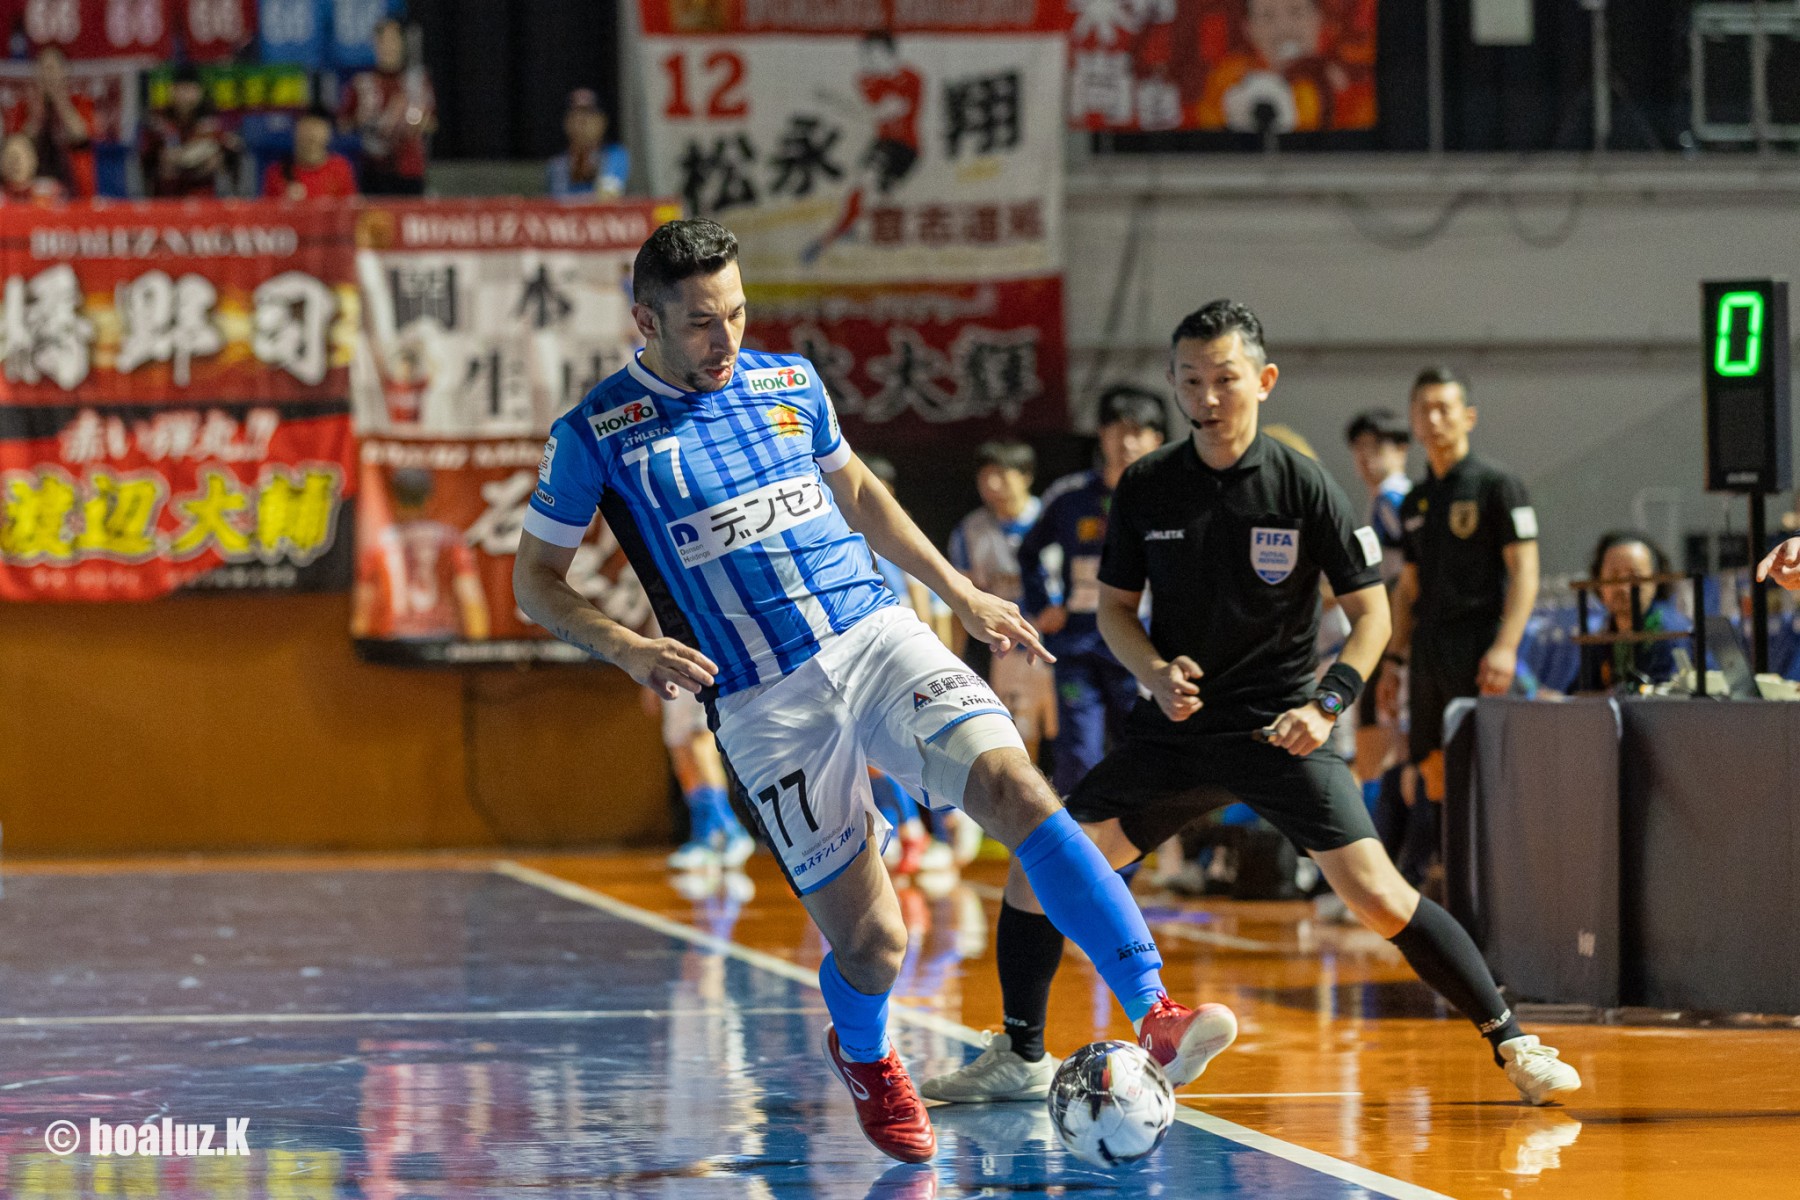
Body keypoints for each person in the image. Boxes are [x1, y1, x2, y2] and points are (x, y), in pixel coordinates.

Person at [514, 218, 1230, 1163]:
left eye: (736, 313)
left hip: (874, 633)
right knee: (876, 945)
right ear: (644, 320)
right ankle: (865, 1054)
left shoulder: (788, 384)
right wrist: (628, 648)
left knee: (1020, 790)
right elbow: (536, 582)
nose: (726, 338)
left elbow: (859, 496)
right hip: (766, 699)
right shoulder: (596, 434)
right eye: (699, 323)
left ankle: (1155, 1010)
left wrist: (959, 591)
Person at [921, 300, 1579, 1109]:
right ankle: (1021, 1055)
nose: (1207, 397)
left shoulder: (1304, 485)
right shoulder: (1149, 487)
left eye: (1225, 379)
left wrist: (1328, 705)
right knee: (1042, 868)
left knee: (1378, 894)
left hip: (1283, 731)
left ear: (1263, 381)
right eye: (1190, 380)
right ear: (1174, 384)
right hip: (1176, 733)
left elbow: (1372, 615)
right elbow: (1116, 610)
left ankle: (1514, 1042)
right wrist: (1154, 672)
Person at [1380, 368, 1539, 853]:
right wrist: (1393, 660)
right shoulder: (1414, 500)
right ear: (1413, 420)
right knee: (1431, 766)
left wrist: (1506, 647)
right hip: (1429, 648)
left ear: (1468, 416)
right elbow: (1408, 589)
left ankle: (1496, 869)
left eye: (1443, 408)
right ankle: (1450, 871)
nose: (1433, 419)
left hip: (1479, 644)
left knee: (1486, 765)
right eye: (1423, 410)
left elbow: (1525, 573)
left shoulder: (1498, 486)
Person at [1018, 385, 1166, 795]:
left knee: (1140, 752)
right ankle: (1083, 836)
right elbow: (1028, 552)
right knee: (1079, 754)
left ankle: (1133, 839)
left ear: (1158, 439)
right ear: (1101, 435)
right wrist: (1042, 605)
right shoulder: (1070, 496)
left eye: (1138, 432)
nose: (1127, 442)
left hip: (1140, 650)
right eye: (1118, 430)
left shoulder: (1169, 500)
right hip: (1077, 647)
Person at [948, 441, 1056, 765]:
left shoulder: (1053, 517)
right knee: (1020, 737)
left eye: (1001, 474)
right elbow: (962, 598)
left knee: (1075, 734)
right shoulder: (970, 531)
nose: (992, 484)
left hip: (1062, 644)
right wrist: (955, 656)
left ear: (1025, 476)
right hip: (1010, 652)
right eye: (985, 476)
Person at [802, 32, 922, 264]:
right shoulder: (868, 81)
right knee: (859, 185)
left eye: (874, 54)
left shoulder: (911, 77)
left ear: (890, 53)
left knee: (873, 189)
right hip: (882, 144)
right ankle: (844, 230)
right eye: (866, 55)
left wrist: (836, 101)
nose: (869, 60)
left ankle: (838, 234)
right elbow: (868, 111)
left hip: (904, 147)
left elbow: (883, 111)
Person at [351, 468, 491, 642]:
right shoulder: (450, 540)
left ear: (394, 499)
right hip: (441, 642)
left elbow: (362, 611)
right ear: (429, 499)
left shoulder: (378, 546)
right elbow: (471, 601)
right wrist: (476, 649)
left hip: (395, 643)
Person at [654, 682, 755, 871]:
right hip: (670, 675)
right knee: (682, 754)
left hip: (697, 673)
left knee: (699, 745)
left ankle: (732, 832)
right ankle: (705, 839)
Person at [1580, 531, 1690, 690]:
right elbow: (1583, 690)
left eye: (1635, 577)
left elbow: (1667, 694)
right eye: (1613, 576)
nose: (1623, 586)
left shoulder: (1672, 632)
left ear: (1655, 580)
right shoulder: (1605, 635)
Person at [339, 18, 436, 196]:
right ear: (375, 45)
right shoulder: (361, 83)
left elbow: (432, 123)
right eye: (382, 41)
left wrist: (418, 124)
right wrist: (359, 120)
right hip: (373, 169)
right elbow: (342, 126)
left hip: (409, 170)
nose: (388, 46)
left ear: (402, 44)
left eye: (393, 40)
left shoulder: (417, 81)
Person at [9, 48, 95, 198]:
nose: (47, 74)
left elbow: (81, 137)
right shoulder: (24, 106)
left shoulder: (80, 102)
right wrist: (36, 114)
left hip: (72, 182)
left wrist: (61, 101)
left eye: (52, 68)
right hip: (33, 183)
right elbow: (19, 146)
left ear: (64, 72)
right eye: (42, 68)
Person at [140, 65, 234, 198]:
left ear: (200, 92)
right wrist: (164, 156)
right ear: (172, 90)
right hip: (169, 189)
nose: (186, 95)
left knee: (215, 160)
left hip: (202, 186)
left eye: (190, 89)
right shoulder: (159, 118)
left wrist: (215, 155)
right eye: (182, 89)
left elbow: (230, 146)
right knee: (166, 164)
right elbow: (146, 155)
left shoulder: (212, 117)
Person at [547, 88, 628, 199]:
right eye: (575, 116)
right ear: (566, 123)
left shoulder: (615, 155)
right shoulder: (558, 163)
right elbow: (557, 201)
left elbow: (608, 196)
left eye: (588, 116)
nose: (581, 123)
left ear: (601, 122)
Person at [263, 106, 357, 200]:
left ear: (328, 134)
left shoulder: (340, 168)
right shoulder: (277, 172)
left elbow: (350, 206)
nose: (311, 135)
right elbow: (269, 207)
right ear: (295, 132)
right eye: (306, 128)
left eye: (317, 128)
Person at [0, 134, 64, 205]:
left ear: (34, 160)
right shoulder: (2, 200)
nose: (16, 163)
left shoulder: (51, 195)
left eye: (21, 157)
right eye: (11, 157)